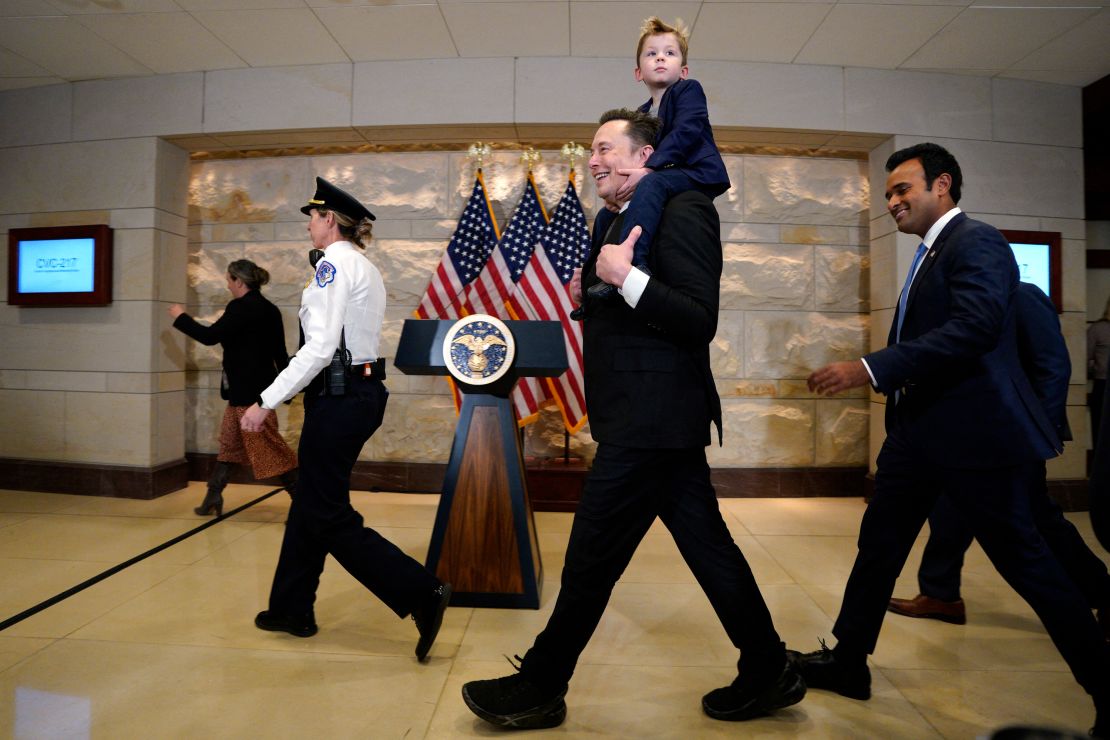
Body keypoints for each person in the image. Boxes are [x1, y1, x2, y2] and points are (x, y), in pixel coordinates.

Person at [461, 109, 805, 730]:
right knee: (709, 550)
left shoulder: (686, 209)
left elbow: (699, 317)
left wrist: (624, 276)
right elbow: (623, 307)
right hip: (643, 421)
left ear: (644, 157)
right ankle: (768, 668)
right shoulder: (614, 219)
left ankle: (542, 683)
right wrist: (589, 293)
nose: (592, 161)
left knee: (591, 558)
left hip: (653, 420)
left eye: (602, 149)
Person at [794, 142, 1110, 736]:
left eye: (902, 189)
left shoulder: (977, 241)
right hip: (917, 439)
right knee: (878, 549)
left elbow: (975, 328)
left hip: (977, 444)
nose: (892, 202)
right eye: (888, 193)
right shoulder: (927, 253)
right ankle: (849, 661)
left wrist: (871, 368)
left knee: (1032, 568)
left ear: (942, 185)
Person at [240, 177, 451, 661]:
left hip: (339, 397)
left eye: (312, 218)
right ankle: (291, 608)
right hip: (355, 393)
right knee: (312, 502)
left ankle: (422, 592)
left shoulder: (335, 263)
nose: (310, 226)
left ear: (329, 219)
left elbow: (318, 347)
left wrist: (265, 401)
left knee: (327, 513)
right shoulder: (363, 265)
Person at [887, 282, 1110, 636]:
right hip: (964, 437)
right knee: (948, 511)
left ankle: (1103, 593)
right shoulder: (962, 303)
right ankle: (940, 594)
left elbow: (1053, 365)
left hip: (1013, 437)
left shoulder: (1023, 296)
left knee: (1038, 521)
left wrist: (1041, 432)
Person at [578, 17, 730, 308]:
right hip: (668, 173)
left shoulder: (689, 91)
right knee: (608, 213)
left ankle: (638, 262)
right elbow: (641, 152)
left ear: (683, 70)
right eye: (652, 53)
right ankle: (591, 279)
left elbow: (687, 132)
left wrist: (648, 170)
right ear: (638, 72)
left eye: (669, 53)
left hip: (699, 173)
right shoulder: (642, 113)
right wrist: (622, 191)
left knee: (653, 182)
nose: (660, 57)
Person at [169, 260, 298, 516]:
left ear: (239, 281)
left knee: (270, 449)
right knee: (229, 444)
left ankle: (304, 502)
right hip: (257, 392)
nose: (227, 285)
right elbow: (280, 354)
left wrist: (180, 317)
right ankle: (213, 497)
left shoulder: (240, 308)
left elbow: (209, 337)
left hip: (249, 396)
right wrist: (286, 391)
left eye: (229, 280)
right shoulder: (270, 310)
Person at [1090, 296, 1110, 448]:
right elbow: (1083, 357)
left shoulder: (1097, 329)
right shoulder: (1098, 328)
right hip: (1103, 384)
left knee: (1100, 432)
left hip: (1102, 383)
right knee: (1100, 431)